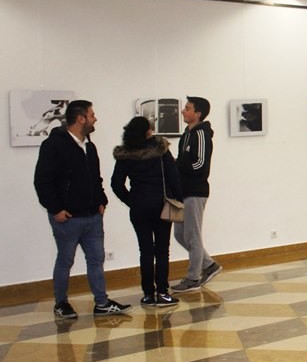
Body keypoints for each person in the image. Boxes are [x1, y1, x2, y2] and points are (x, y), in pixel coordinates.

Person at [33, 100, 132, 318]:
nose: (95, 119)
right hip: (67, 218)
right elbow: (42, 181)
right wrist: (56, 209)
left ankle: (102, 303)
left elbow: (95, 178)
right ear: (81, 118)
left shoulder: (89, 146)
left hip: (93, 216)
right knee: (65, 261)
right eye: (92, 115)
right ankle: (61, 303)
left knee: (96, 260)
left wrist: (101, 201)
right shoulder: (53, 145)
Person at [112, 117, 182, 307]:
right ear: (147, 132)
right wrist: (179, 199)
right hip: (162, 205)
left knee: (145, 251)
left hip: (139, 208)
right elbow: (174, 177)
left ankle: (148, 294)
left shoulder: (125, 154)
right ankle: (163, 292)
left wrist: (131, 201)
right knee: (162, 250)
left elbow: (116, 184)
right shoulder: (160, 150)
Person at [171, 96, 221, 293]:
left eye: (187, 108)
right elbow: (182, 160)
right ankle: (209, 265)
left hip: (194, 192)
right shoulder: (186, 134)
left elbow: (200, 164)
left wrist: (178, 167)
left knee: (193, 235)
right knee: (179, 234)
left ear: (198, 113)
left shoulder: (201, 134)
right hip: (180, 193)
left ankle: (193, 278)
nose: (183, 111)